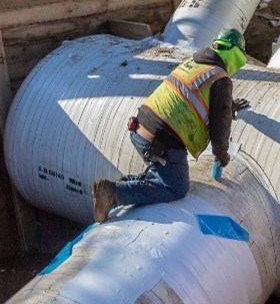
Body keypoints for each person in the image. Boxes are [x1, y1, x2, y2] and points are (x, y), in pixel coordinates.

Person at [91, 28, 251, 222]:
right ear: (234, 53)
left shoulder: (194, 63)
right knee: (176, 188)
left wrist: (229, 104)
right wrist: (221, 153)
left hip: (140, 128)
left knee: (163, 175)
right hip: (162, 141)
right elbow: (220, 123)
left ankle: (119, 185)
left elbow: (195, 96)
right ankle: (114, 192)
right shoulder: (221, 79)